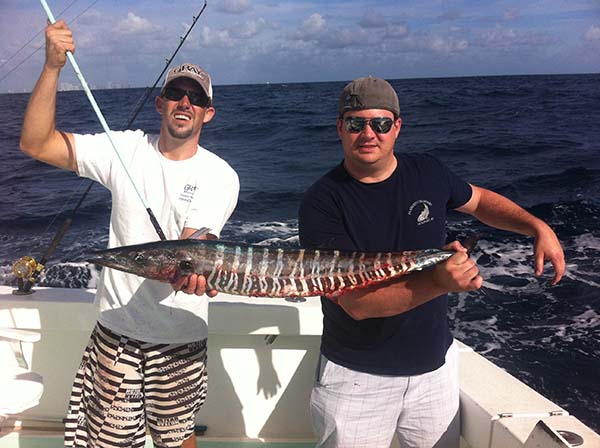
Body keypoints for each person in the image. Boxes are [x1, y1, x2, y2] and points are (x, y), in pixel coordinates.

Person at [298, 76, 565, 448]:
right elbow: (356, 304)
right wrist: (440, 282)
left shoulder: (428, 171)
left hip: (435, 370)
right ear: (341, 128)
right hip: (356, 378)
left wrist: (535, 226)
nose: (368, 133)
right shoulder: (321, 203)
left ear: (397, 127)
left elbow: (480, 201)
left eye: (381, 123)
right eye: (356, 124)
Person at [20, 20, 240, 448]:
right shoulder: (124, 149)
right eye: (176, 93)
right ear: (160, 103)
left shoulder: (220, 175)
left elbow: (194, 250)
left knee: (177, 439)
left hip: (179, 336)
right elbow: (35, 143)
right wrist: (51, 67)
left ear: (207, 113)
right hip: (115, 331)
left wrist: (195, 269)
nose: (184, 102)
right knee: (110, 442)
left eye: (196, 98)